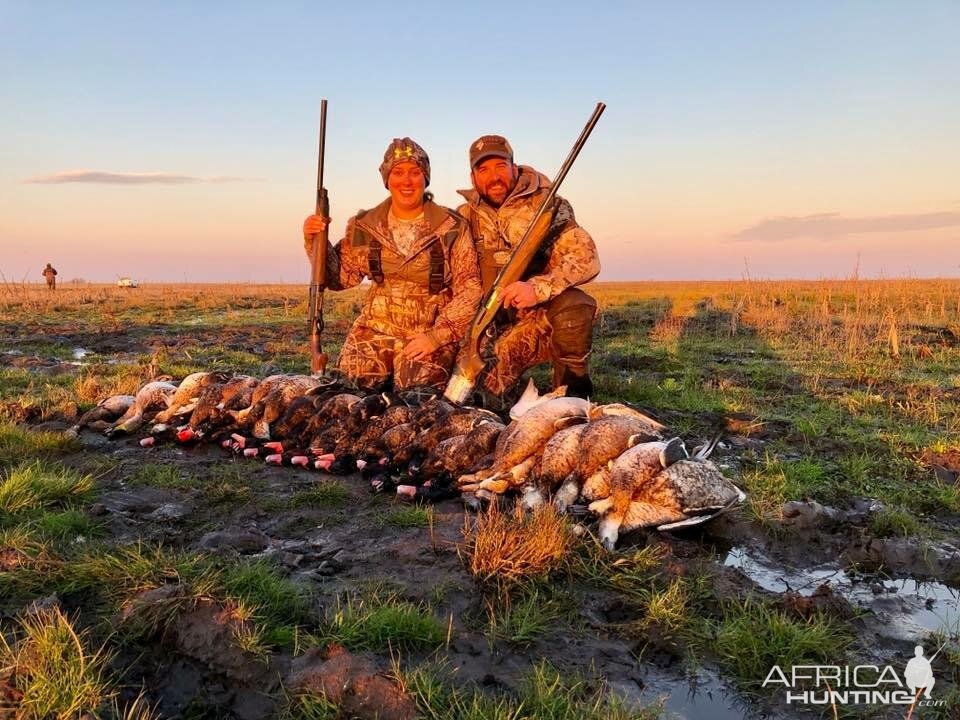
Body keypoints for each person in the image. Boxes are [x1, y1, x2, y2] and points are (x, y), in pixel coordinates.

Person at [302, 138, 482, 391]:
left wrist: (436, 337)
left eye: (414, 172)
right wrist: (314, 241)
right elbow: (340, 278)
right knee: (346, 394)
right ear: (387, 179)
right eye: (397, 172)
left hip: (426, 332)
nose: (406, 181)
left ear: (425, 178)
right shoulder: (364, 225)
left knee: (416, 400)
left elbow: (470, 289)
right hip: (374, 330)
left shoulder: (451, 226)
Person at [456, 135, 600, 400]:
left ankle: (573, 395)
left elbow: (586, 259)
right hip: (488, 326)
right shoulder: (464, 215)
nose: (494, 177)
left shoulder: (547, 207)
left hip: (536, 320)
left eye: (500, 166)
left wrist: (537, 288)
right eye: (483, 169)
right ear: (473, 177)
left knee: (575, 305)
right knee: (477, 399)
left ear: (514, 166)